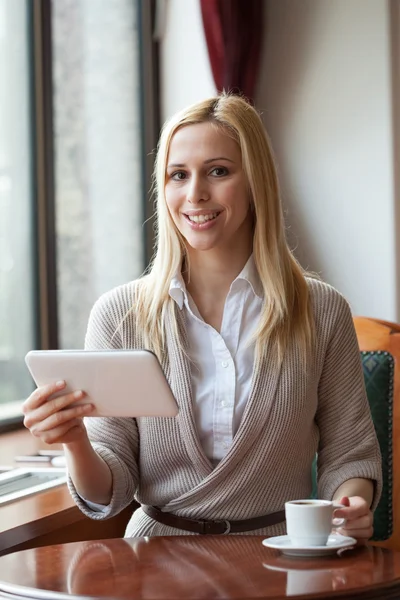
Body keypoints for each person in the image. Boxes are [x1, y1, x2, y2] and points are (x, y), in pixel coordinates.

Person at [22, 93, 382, 542]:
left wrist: (351, 504)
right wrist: (74, 439)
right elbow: (109, 494)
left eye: (218, 171)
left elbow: (349, 454)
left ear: (256, 183)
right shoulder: (120, 315)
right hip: (154, 560)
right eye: (178, 175)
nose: (195, 194)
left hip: (283, 556)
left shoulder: (321, 311)